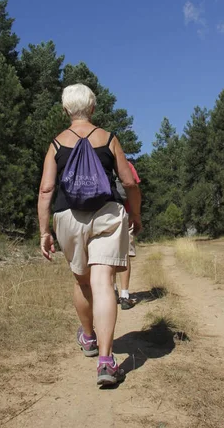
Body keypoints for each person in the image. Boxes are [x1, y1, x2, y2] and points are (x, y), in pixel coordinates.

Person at [38, 83, 142, 387]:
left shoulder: (56, 144)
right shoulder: (109, 139)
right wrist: (134, 213)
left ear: (65, 110)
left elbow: (46, 190)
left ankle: (88, 337)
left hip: (68, 216)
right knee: (103, 282)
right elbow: (129, 183)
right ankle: (107, 362)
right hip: (107, 213)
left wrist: (45, 231)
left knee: (82, 281)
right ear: (93, 107)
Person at [114, 161, 141, 310]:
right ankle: (124, 295)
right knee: (124, 255)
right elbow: (133, 187)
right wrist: (136, 214)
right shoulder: (126, 164)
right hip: (126, 213)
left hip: (104, 214)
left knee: (106, 254)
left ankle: (112, 291)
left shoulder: (98, 163)